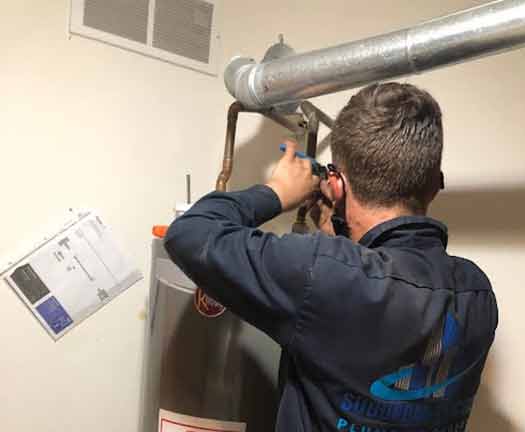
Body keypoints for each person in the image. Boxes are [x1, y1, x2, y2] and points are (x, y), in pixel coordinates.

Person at [165, 82, 498, 432]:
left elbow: (189, 233)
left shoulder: (323, 273)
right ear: (434, 185)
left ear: (336, 186)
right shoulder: (477, 294)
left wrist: (276, 192)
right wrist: (335, 234)